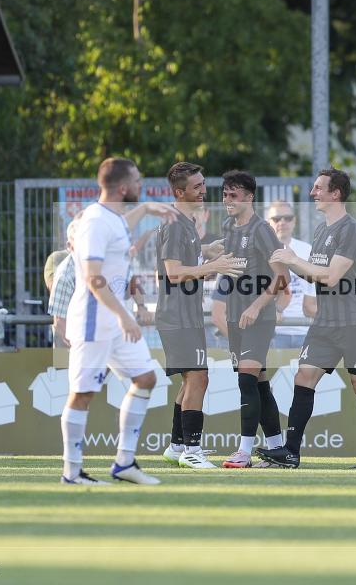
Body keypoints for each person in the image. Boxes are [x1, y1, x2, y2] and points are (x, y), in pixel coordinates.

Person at [256, 168, 356, 470]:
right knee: (304, 376)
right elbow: (314, 274)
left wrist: (293, 259)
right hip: (326, 322)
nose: (312, 193)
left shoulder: (351, 229)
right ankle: (290, 452)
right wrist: (286, 262)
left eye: (318, 188)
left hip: (355, 320)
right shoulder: (321, 230)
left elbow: (330, 276)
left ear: (335, 193)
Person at [60, 157, 178, 485]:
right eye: (138, 181)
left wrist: (149, 208)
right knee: (82, 394)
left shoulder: (113, 219)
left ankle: (124, 463)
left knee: (146, 378)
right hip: (94, 321)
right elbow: (93, 278)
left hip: (113, 320)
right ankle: (71, 472)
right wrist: (125, 315)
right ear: (123, 187)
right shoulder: (95, 221)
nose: (141, 186)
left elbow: (122, 227)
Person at [156, 162, 240, 470]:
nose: (204, 190)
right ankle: (192, 451)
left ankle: (177, 446)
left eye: (204, 184)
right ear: (180, 192)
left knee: (191, 380)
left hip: (184, 315)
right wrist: (210, 267)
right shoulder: (175, 224)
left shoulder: (186, 223)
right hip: (176, 316)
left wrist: (207, 252)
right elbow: (174, 273)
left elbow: (185, 263)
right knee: (198, 378)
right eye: (197, 187)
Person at [219, 170, 290, 469]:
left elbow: (282, 276)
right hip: (236, 317)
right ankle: (277, 451)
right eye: (224, 195)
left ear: (249, 197)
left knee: (246, 380)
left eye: (234, 195)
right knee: (259, 384)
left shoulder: (262, 230)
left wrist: (257, 307)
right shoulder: (227, 226)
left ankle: (244, 452)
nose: (227, 201)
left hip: (257, 319)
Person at [265, 200, 312, 349]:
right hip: (272, 332)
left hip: (305, 330)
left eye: (288, 218)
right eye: (276, 219)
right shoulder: (258, 251)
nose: (282, 222)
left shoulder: (308, 250)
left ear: (295, 221)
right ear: (268, 222)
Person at [48, 221, 78, 348]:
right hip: (73, 351)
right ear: (70, 245)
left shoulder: (100, 265)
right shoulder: (65, 272)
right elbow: (59, 322)